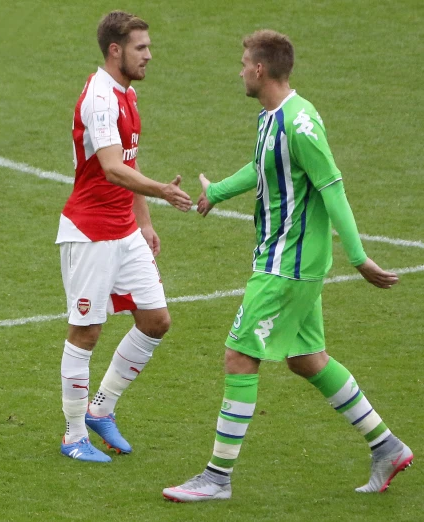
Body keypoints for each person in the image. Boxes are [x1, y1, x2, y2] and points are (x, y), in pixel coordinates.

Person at [162, 29, 413, 501]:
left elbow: (331, 186)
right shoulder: (271, 117)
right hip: (284, 258)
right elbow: (263, 168)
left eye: (243, 63)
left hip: (288, 265)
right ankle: (387, 447)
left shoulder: (300, 124)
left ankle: (217, 478)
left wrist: (358, 258)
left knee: (239, 354)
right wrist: (215, 192)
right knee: (306, 359)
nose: (239, 71)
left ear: (261, 69)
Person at [56, 11, 192, 463]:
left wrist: (146, 221)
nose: (149, 55)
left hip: (125, 229)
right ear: (115, 51)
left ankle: (102, 409)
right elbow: (113, 168)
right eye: (141, 48)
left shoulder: (127, 93)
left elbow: (127, 165)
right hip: (91, 232)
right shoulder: (100, 98)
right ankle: (74, 436)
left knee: (156, 321)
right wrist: (163, 191)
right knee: (86, 332)